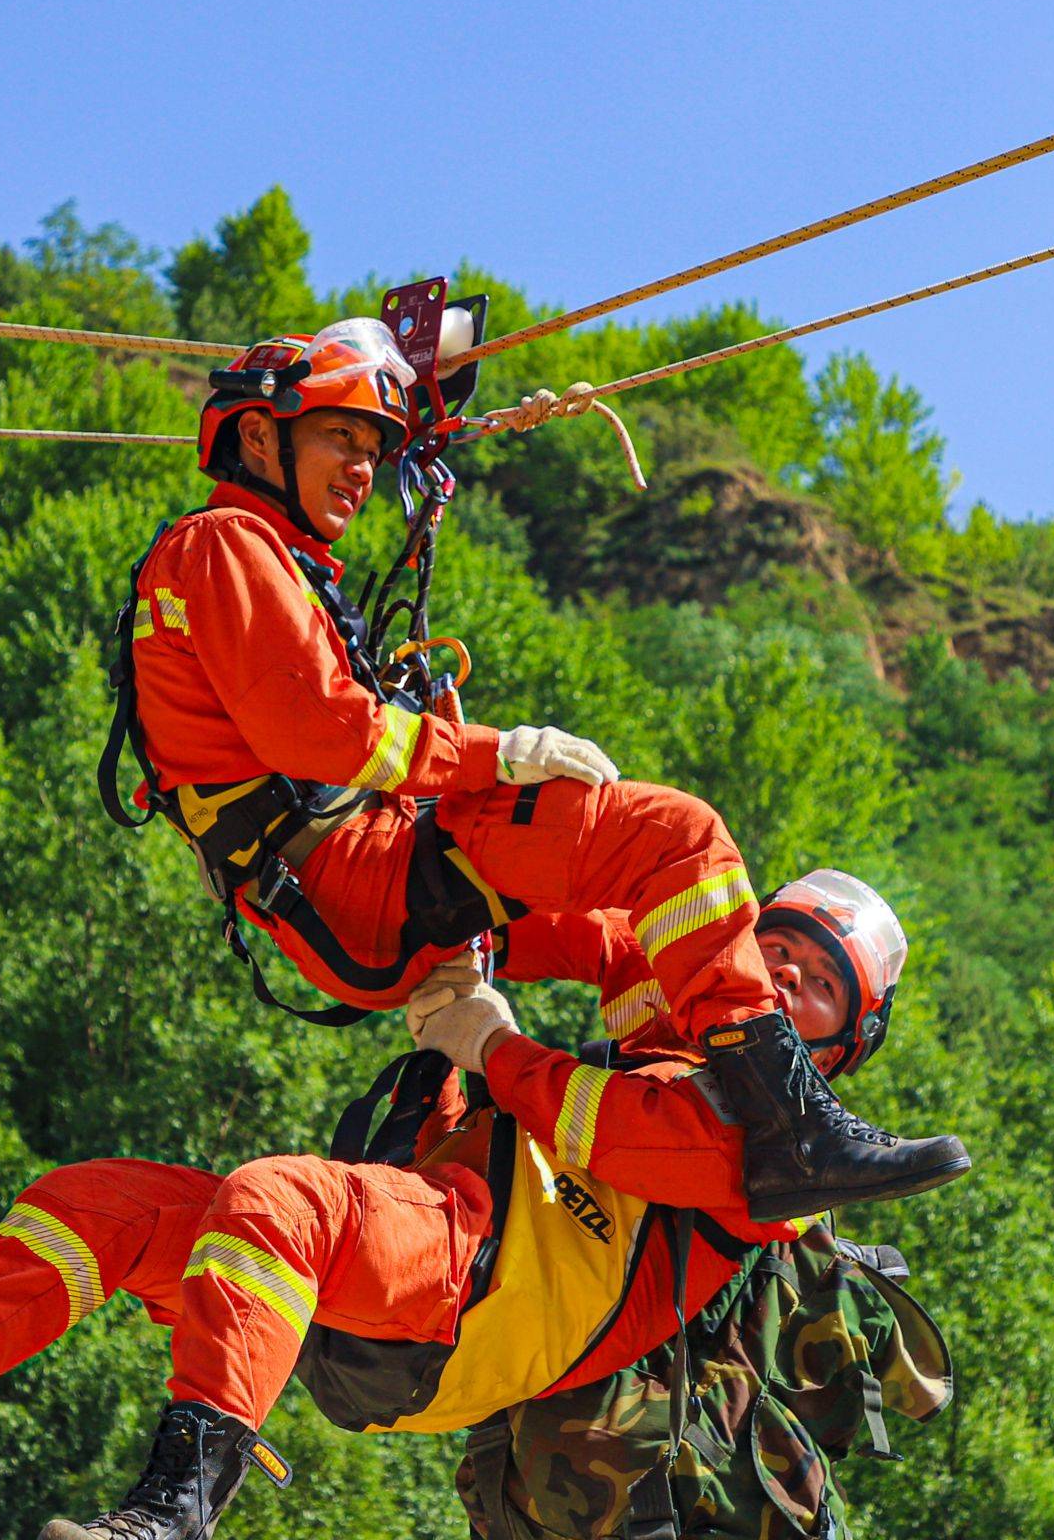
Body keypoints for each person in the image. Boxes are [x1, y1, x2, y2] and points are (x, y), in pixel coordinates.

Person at [0, 871, 968, 1540]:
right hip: (421, 1255)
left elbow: (624, 1140)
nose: (776, 984)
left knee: (277, 1202)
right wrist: (441, 880)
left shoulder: (777, 1158)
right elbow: (552, 922)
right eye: (775, 954)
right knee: (99, 1203)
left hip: (481, 1305)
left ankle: (171, 1532)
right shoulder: (664, 1014)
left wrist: (491, 1047)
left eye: (812, 988)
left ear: (838, 1050)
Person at [105, 315, 958, 1221]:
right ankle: (791, 1124)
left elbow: (332, 738)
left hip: (351, 879)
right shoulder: (222, 545)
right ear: (258, 436)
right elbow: (322, 734)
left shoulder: (266, 561)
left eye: (375, 448)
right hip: (352, 870)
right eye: (339, 437)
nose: (364, 468)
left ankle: (696, 1106)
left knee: (635, 928)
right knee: (676, 838)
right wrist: (493, 756)